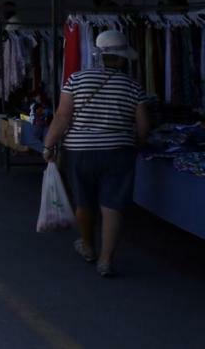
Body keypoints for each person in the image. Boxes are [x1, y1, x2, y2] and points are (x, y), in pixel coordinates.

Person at [42, 30, 151, 278]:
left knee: (84, 201)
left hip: (80, 150)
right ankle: (105, 260)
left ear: (99, 56)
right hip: (118, 151)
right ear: (123, 58)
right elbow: (144, 125)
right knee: (112, 205)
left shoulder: (76, 79)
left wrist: (48, 145)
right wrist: (137, 142)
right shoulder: (133, 86)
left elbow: (62, 117)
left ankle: (88, 247)